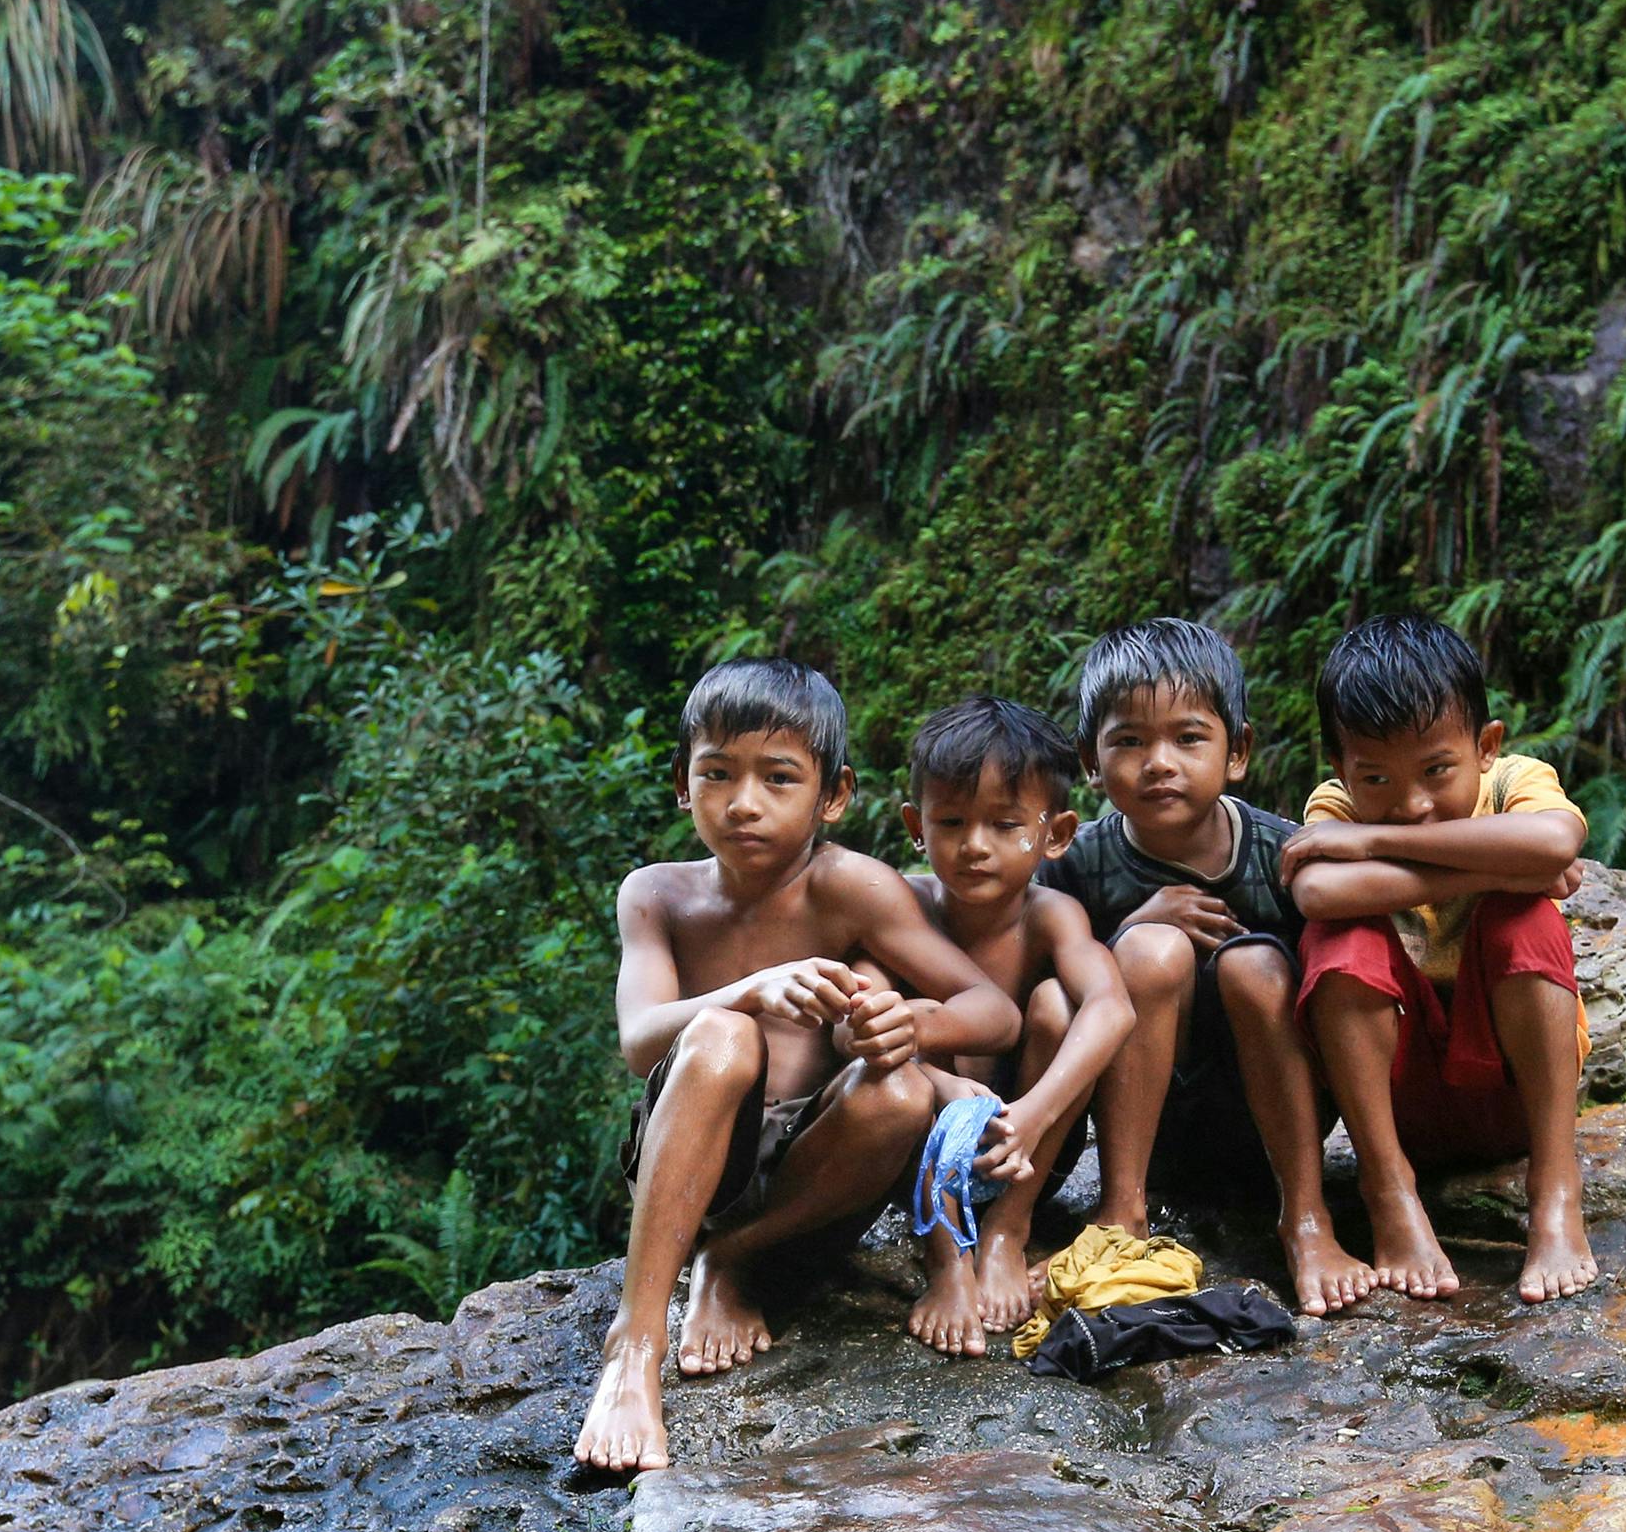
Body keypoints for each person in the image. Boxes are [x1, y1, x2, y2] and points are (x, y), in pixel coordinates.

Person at [572, 658, 1027, 1476]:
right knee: (723, 1036)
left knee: (901, 1093)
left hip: (815, 1176)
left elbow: (992, 1007)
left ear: (833, 795)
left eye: (779, 778)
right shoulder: (656, 894)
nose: (744, 802)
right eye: (717, 773)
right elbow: (640, 1041)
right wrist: (748, 992)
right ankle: (634, 1347)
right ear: (682, 783)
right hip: (698, 1152)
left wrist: (909, 1022)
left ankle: (732, 1259)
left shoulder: (852, 887)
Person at [1039, 618, 1377, 1317]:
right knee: (1147, 949)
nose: (1159, 762)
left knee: (1255, 965)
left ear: (1238, 750)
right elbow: (1036, 995)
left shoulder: (1286, 856)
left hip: (1279, 1123)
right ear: (1091, 761)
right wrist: (1130, 930)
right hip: (1151, 1134)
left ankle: (1306, 1218)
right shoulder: (1075, 866)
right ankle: (1121, 1213)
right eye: (1129, 741)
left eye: (1189, 738)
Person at [1282, 613, 1598, 1304]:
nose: (1411, 804)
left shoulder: (1514, 782)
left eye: (1436, 770)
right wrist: (1502, 868)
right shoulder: (1335, 804)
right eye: (1376, 778)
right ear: (1340, 770)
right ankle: (1389, 1191)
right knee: (1341, 939)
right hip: (1401, 1105)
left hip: (1516, 1098)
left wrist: (1374, 845)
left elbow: (1553, 845)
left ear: (1485, 746)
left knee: (1527, 919)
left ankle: (1554, 1188)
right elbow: (1317, 891)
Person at [890, 696, 1137, 1355]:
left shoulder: (1049, 915)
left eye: (1005, 825)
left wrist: (1033, 1113)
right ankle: (946, 1256)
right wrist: (940, 1083)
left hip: (1024, 1148)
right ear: (917, 825)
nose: (975, 845)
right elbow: (861, 1025)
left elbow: (1113, 1006)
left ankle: (1006, 1229)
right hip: (919, 1150)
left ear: (1056, 833)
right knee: (905, 1032)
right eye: (951, 821)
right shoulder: (901, 909)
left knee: (1059, 1004)